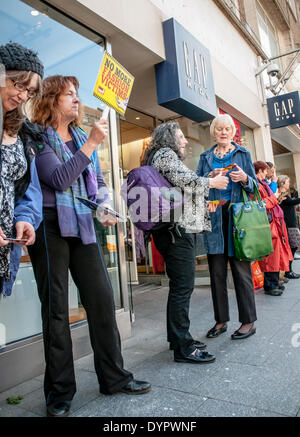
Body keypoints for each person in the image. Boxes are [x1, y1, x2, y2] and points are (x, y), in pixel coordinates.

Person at [29, 75, 150, 418]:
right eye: (69, 95)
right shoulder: (38, 138)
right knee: (55, 311)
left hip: (84, 224)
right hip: (50, 227)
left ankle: (114, 377)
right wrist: (92, 144)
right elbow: (57, 179)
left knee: (101, 300)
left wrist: (106, 206)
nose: (77, 101)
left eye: (77, 95)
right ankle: (60, 392)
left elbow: (95, 184)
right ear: (51, 100)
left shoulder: (82, 136)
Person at [141, 121, 229, 364]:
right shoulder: (166, 154)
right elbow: (187, 184)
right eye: (181, 136)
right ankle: (184, 347)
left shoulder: (158, 157)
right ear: (169, 137)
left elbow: (184, 182)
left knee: (180, 286)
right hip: (175, 229)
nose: (185, 140)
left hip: (171, 229)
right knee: (183, 287)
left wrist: (206, 177)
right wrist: (212, 183)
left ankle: (178, 338)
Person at [197, 113, 258, 340]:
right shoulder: (205, 157)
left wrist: (244, 178)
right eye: (219, 129)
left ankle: (248, 322)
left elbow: (255, 189)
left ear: (233, 132)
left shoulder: (243, 154)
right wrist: (208, 176)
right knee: (217, 273)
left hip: (237, 218)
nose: (223, 132)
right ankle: (221, 320)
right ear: (214, 131)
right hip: (214, 217)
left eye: (227, 129)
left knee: (242, 272)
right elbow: (197, 185)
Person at [0, 42, 43, 295]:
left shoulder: (22, 133)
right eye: (19, 85)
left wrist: (25, 218)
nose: (23, 96)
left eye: (30, 91)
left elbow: (30, 189)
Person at [254, 162, 293, 296]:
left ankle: (274, 283)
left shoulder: (262, 183)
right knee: (270, 256)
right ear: (260, 170)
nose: (267, 173)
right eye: (266, 170)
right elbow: (262, 204)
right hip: (268, 225)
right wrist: (275, 198)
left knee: (275, 255)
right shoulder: (257, 185)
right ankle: (270, 286)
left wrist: (276, 199)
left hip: (273, 223)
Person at [277, 175, 300, 279]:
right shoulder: (282, 194)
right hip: (289, 224)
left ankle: (288, 270)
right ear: (282, 184)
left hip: (290, 224)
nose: (288, 184)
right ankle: (288, 271)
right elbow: (291, 202)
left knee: (293, 247)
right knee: (292, 247)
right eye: (287, 182)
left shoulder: (284, 194)